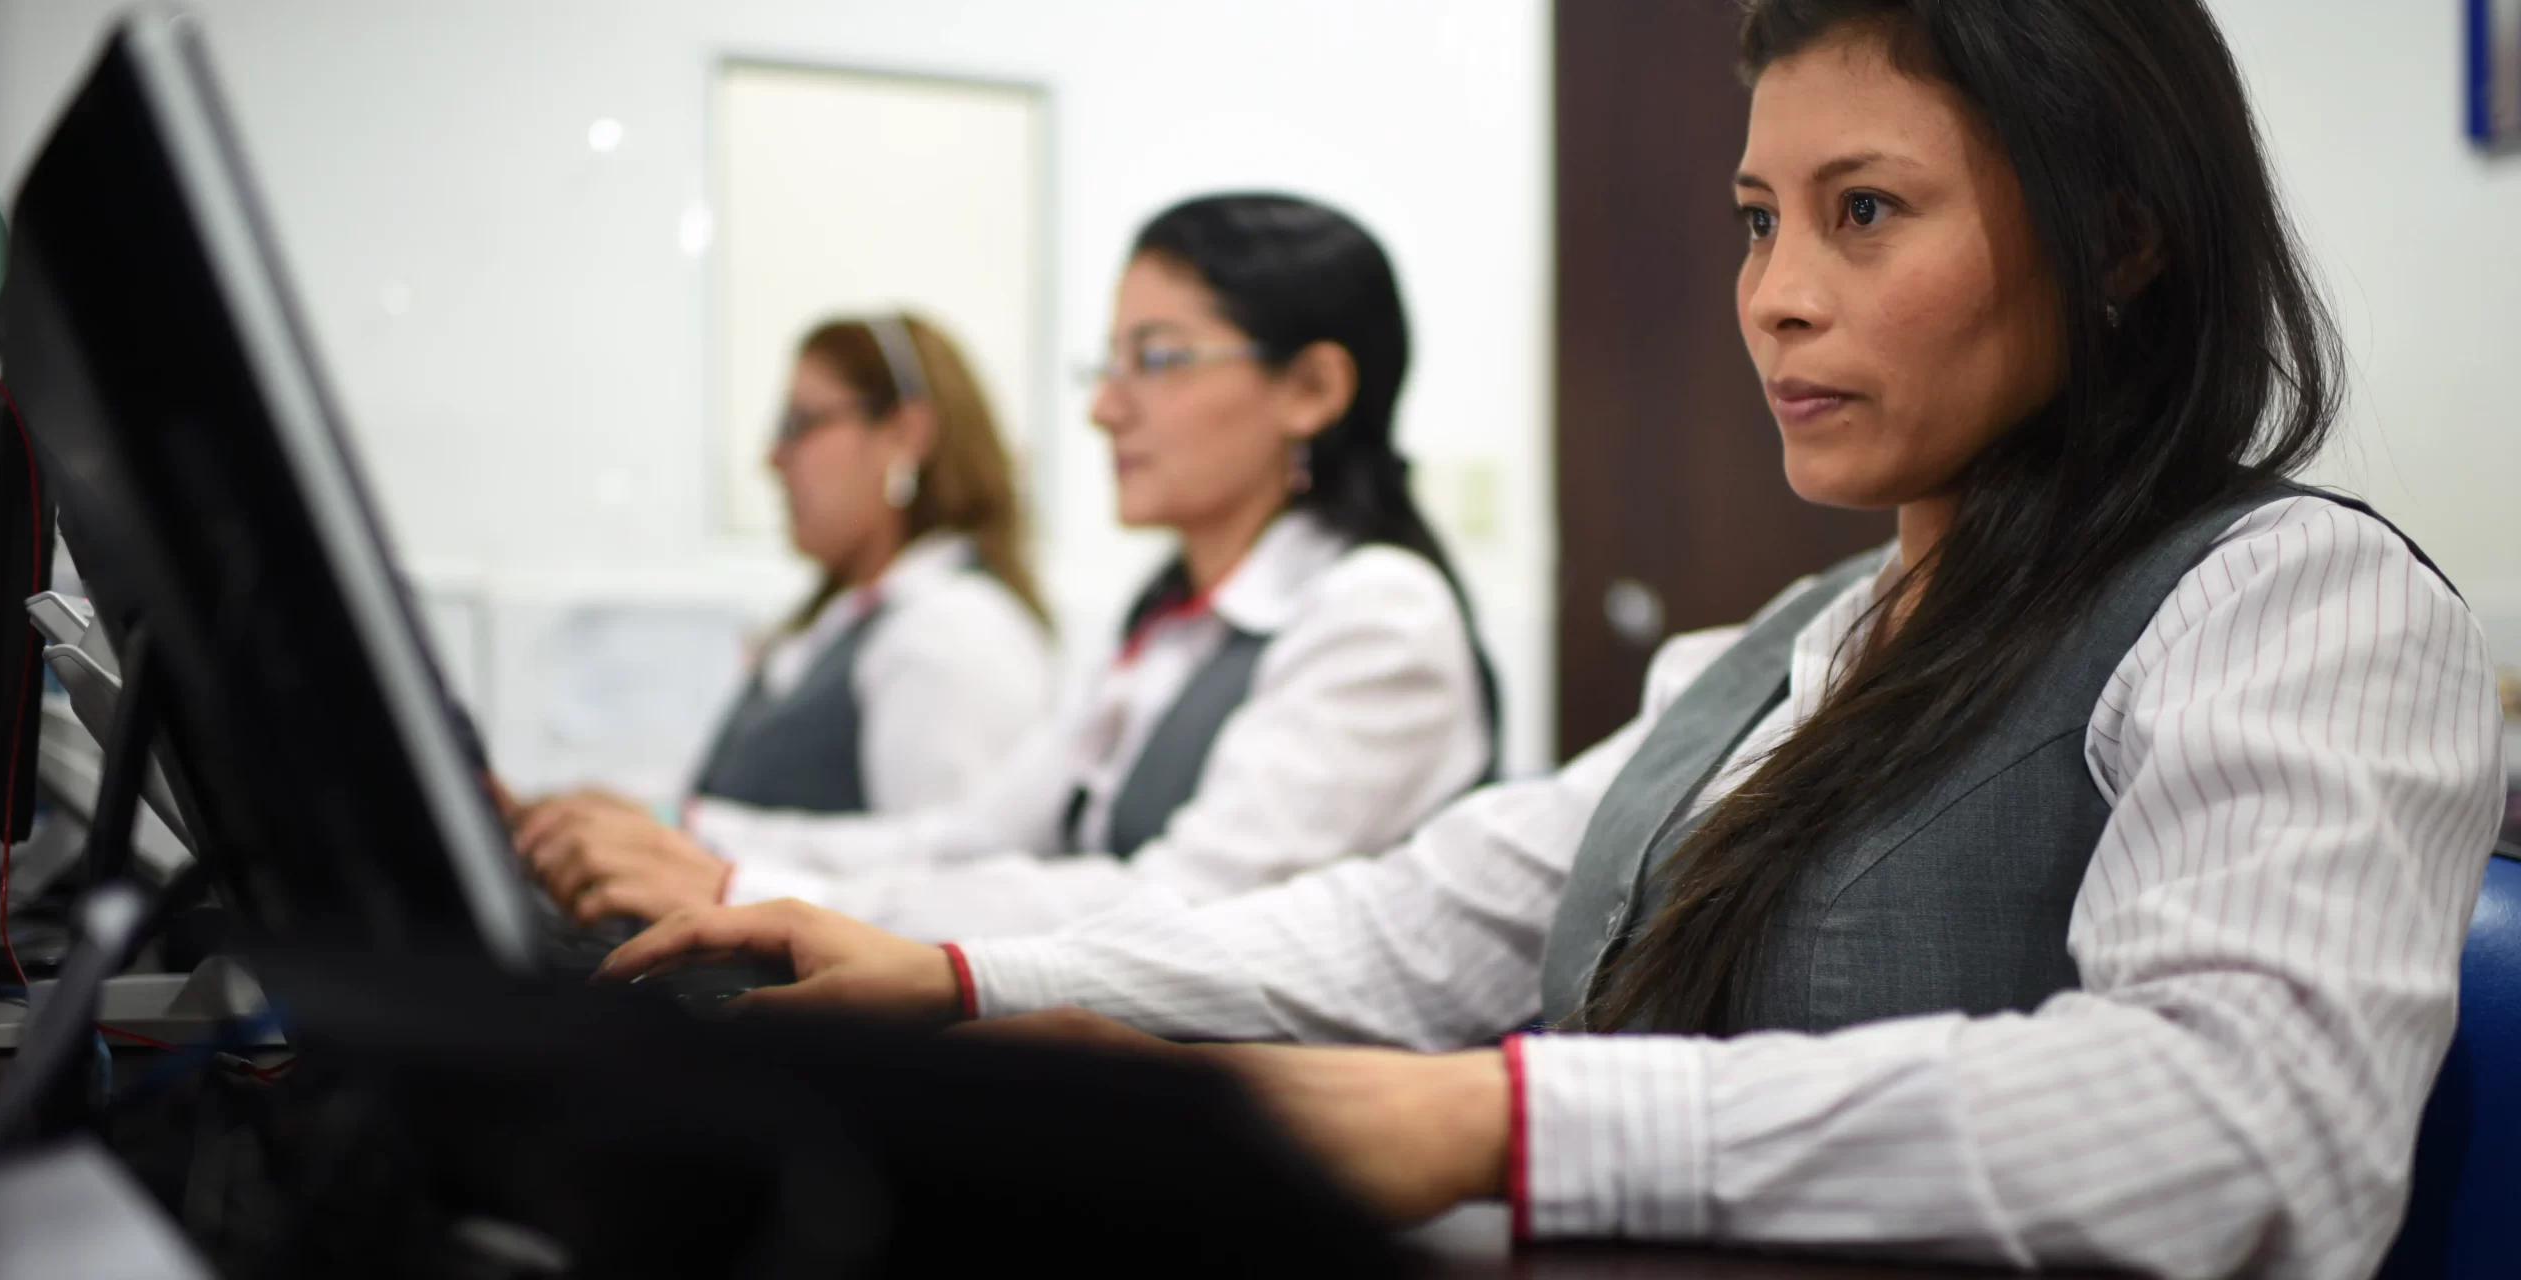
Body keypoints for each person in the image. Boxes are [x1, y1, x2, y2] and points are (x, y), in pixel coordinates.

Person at [599, 3, 2504, 1276]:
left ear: (2122, 238)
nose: (1776, 299)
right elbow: (1417, 921)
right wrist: (954, 977)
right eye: (1761, 220)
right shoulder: (1789, 640)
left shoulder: (2290, 602)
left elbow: (2254, 1122)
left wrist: (1499, 1120)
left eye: (1865, 213)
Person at [527, 194, 1500, 937]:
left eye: (1155, 360)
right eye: (1107, 365)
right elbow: (963, 838)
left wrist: (749, 891)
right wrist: (682, 831)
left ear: (1313, 387)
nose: (1105, 409)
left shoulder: (1378, 617)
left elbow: (1180, 914)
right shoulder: (1173, 624)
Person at [511, 315, 1054, 890]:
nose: (772, 457)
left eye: (801, 423)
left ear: (904, 434)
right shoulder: (846, 617)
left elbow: (945, 881)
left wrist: (679, 831)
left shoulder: (955, 631)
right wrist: (605, 816)